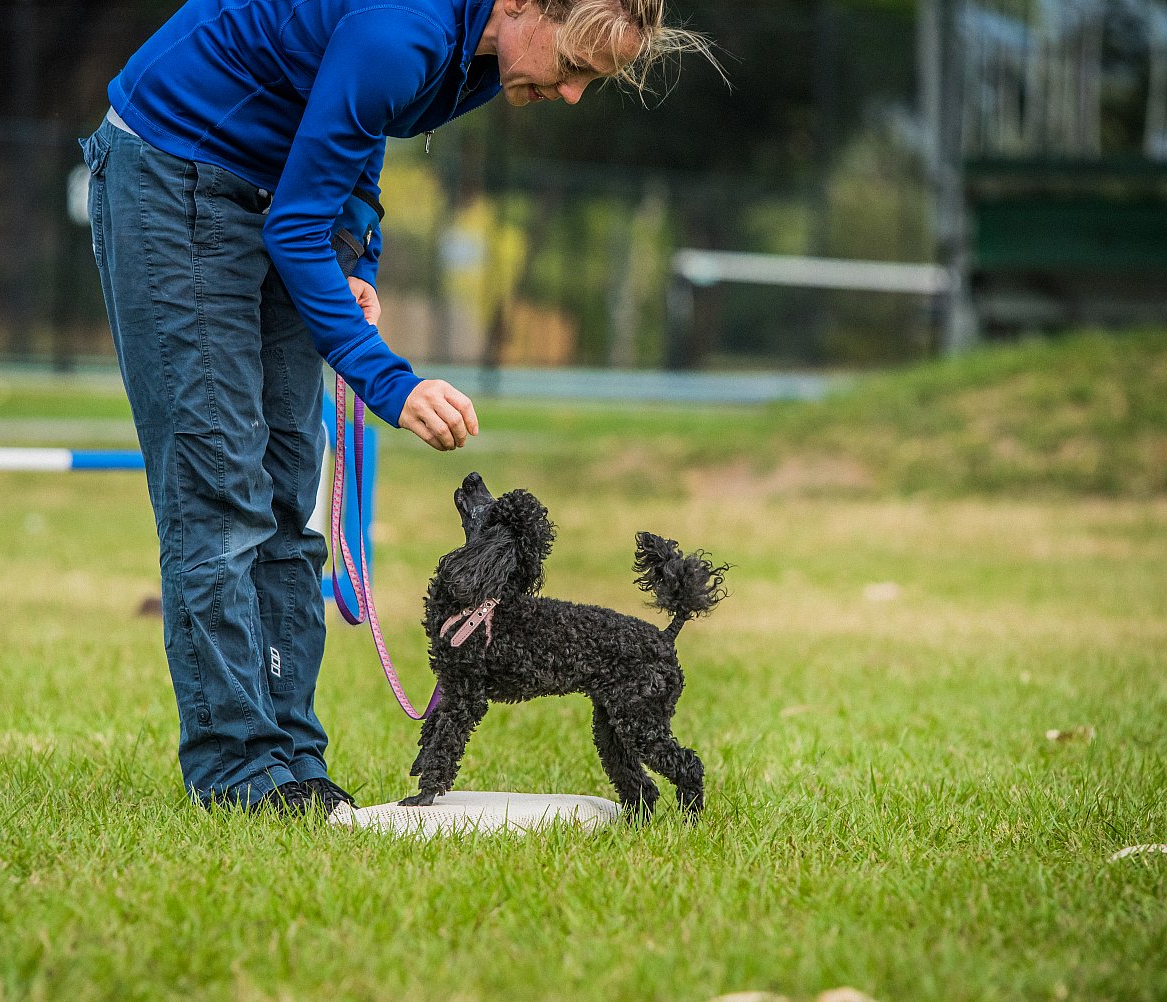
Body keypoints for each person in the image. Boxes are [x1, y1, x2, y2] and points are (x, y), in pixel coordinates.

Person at [82, 0, 715, 815]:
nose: (571, 96)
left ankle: (291, 763)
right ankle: (238, 773)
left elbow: (357, 135)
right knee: (222, 492)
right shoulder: (405, 28)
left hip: (276, 192)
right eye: (575, 65)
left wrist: (361, 252)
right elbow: (301, 219)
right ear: (523, 4)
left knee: (285, 496)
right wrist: (393, 382)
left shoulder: (477, 57)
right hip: (175, 173)